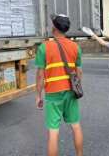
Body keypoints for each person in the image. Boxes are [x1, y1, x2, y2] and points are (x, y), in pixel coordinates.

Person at [35, 14, 83, 156]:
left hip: (53, 93)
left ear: (54, 28)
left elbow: (39, 76)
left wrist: (38, 96)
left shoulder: (44, 47)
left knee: (53, 132)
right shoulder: (75, 47)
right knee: (75, 126)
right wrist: (77, 88)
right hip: (71, 90)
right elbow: (79, 72)